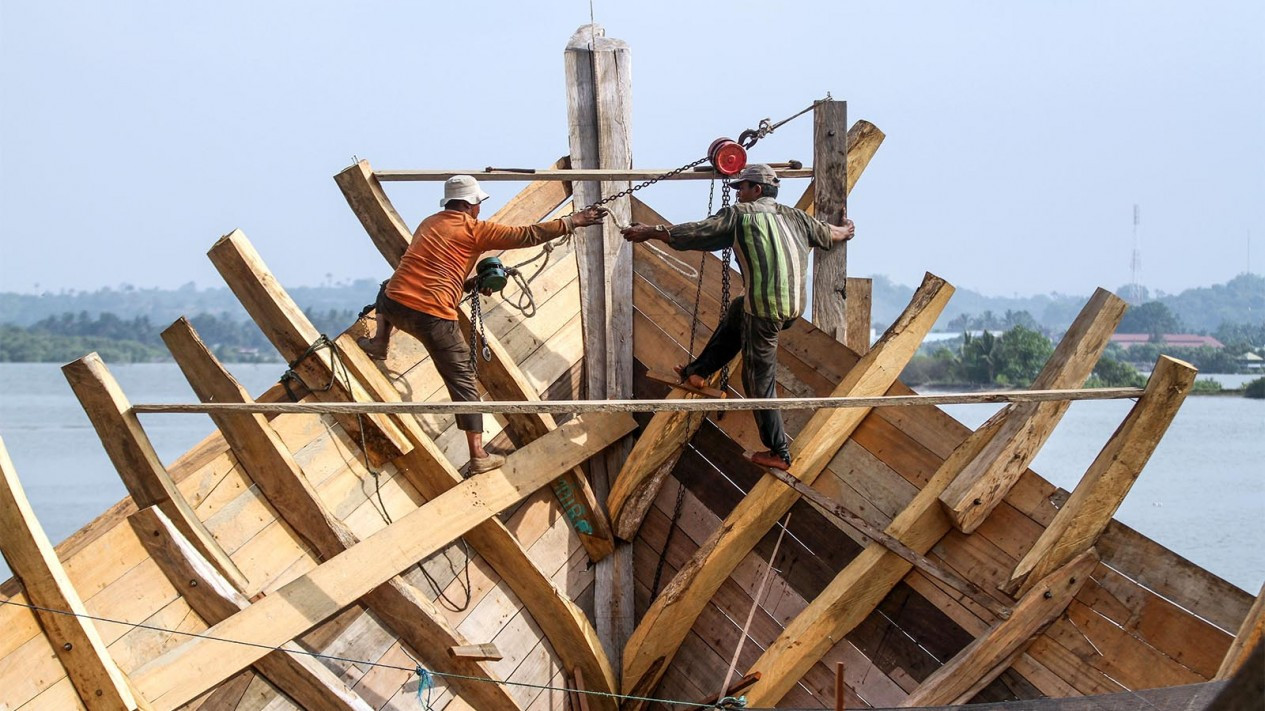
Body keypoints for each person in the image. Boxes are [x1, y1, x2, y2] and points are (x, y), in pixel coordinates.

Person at [359, 174, 608, 475]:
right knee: (462, 379)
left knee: (388, 285)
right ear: (470, 204)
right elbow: (527, 235)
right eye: (478, 204)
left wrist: (470, 284)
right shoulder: (474, 230)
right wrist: (574, 221)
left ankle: (379, 342)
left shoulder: (429, 223)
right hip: (433, 316)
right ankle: (479, 456)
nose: (480, 209)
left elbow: (432, 271)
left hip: (395, 305)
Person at [620, 164, 855, 471]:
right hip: (791, 308)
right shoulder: (795, 217)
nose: (738, 194)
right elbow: (830, 233)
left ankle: (779, 452)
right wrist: (847, 230)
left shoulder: (739, 216)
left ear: (756, 190)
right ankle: (698, 371)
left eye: (742, 188)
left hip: (765, 311)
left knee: (757, 378)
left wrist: (650, 232)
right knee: (737, 309)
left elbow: (695, 233)